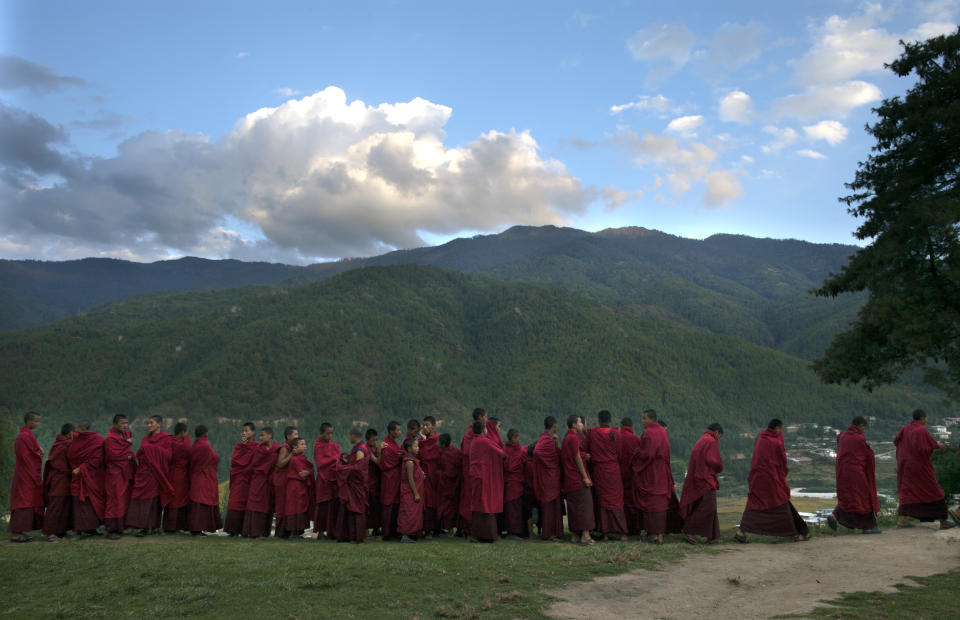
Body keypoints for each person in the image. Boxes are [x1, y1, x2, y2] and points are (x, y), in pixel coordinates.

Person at [736, 419, 810, 543]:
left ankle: (741, 532)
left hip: (757, 477)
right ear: (777, 428)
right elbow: (781, 461)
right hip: (771, 477)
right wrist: (782, 474)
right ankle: (794, 533)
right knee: (780, 500)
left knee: (756, 502)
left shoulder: (761, 438)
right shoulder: (776, 442)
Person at [894, 409, 953, 528]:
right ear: (922, 418)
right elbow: (926, 447)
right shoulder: (921, 430)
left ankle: (901, 520)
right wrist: (939, 446)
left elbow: (897, 441)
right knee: (934, 491)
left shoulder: (905, 429)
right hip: (920, 466)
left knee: (907, 491)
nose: (926, 420)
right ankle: (943, 521)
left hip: (906, 467)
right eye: (925, 418)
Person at [827, 416, 882, 534]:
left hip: (842, 471)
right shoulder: (859, 438)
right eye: (864, 428)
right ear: (861, 426)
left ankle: (834, 515)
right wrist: (871, 452)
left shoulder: (842, 436)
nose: (864, 431)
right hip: (856, 472)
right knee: (863, 497)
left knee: (847, 497)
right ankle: (867, 527)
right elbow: (865, 454)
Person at [631, 409, 677, 544]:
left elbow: (647, 455)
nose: (642, 421)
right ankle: (660, 535)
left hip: (651, 473)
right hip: (662, 472)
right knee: (661, 504)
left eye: (644, 418)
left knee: (651, 504)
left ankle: (652, 535)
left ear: (651, 419)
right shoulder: (663, 431)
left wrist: (636, 454)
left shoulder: (648, 433)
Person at [127, 415, 174, 536]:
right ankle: (142, 527)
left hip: (156, 473)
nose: (149, 425)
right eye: (148, 423)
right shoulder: (145, 439)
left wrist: (150, 449)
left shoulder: (166, 438)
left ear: (159, 424)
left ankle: (154, 526)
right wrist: (148, 451)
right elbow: (140, 455)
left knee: (154, 501)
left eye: (151, 423)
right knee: (142, 500)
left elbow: (168, 456)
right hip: (144, 472)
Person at [586, 410, 628, 541]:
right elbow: (621, 453)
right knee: (617, 501)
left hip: (600, 471)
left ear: (599, 420)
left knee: (603, 501)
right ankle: (622, 533)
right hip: (614, 471)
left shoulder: (593, 433)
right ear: (610, 420)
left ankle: (605, 533)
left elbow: (587, 449)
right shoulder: (617, 433)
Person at [679, 423, 724, 544]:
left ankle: (713, 537)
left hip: (697, 477)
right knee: (708, 507)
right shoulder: (711, 441)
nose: (718, 439)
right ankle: (689, 530)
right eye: (719, 436)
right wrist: (720, 467)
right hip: (705, 479)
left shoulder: (702, 439)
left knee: (707, 506)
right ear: (717, 432)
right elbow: (714, 461)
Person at [9, 412, 45, 542]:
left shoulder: (27, 435)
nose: (37, 424)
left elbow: (32, 452)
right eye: (36, 421)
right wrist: (37, 454)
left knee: (27, 501)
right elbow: (25, 457)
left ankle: (20, 531)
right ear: (29, 421)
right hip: (24, 474)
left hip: (27, 473)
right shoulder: (23, 436)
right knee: (23, 501)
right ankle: (16, 533)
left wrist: (37, 451)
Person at [469, 420, 506, 543]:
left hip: (475, 476)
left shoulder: (474, 441)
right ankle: (487, 536)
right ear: (484, 430)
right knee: (486, 503)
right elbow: (501, 453)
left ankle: (475, 534)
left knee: (478, 504)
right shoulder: (484, 441)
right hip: (483, 476)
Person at [561, 414, 595, 545]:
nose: (582, 425)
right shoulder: (574, 438)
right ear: (574, 425)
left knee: (574, 507)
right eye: (580, 423)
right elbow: (576, 457)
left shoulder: (566, 438)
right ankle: (585, 536)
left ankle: (575, 536)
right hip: (577, 478)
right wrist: (585, 477)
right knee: (585, 506)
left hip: (569, 479)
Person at [68, 420, 106, 536]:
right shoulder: (76, 438)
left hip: (91, 476)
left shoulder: (96, 439)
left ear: (83, 428)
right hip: (77, 477)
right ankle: (78, 531)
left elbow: (97, 458)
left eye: (78, 428)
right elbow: (71, 454)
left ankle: (92, 528)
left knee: (91, 503)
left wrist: (82, 468)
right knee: (78, 504)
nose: (76, 431)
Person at [242, 427, 281, 538]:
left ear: (270, 436)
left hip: (269, 482)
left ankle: (264, 532)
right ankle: (252, 531)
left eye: (263, 435)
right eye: (260, 435)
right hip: (257, 480)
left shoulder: (277, 448)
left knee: (266, 506)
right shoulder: (259, 449)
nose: (260, 438)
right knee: (254, 505)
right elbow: (253, 464)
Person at [103, 415, 136, 539]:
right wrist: (127, 457)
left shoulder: (124, 436)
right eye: (122, 423)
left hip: (124, 473)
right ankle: (111, 530)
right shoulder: (110, 439)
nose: (125, 426)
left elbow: (126, 450)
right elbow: (112, 456)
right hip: (114, 474)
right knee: (114, 500)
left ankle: (120, 527)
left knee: (123, 500)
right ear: (115, 424)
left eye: (126, 423)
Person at [335, 427, 368, 543]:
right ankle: (351, 535)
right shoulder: (357, 448)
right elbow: (354, 464)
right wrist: (347, 460)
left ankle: (356, 536)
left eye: (350, 436)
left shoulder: (360, 450)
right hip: (353, 485)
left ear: (353, 435)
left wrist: (343, 468)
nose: (349, 438)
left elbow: (358, 469)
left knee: (356, 509)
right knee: (351, 508)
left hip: (356, 484)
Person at [186, 425, 221, 535]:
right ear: (206, 433)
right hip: (204, 477)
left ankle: (196, 528)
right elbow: (214, 457)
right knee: (201, 503)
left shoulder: (195, 445)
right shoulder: (205, 445)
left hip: (196, 476)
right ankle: (197, 529)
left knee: (197, 503)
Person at [533, 416, 563, 541]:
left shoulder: (548, 439)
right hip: (549, 477)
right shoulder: (546, 440)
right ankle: (548, 533)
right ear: (554, 426)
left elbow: (554, 453)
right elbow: (537, 452)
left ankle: (554, 533)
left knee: (554, 506)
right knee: (549, 506)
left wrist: (556, 443)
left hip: (551, 477)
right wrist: (550, 464)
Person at [42, 422, 74, 541]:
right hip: (59, 480)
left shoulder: (60, 443)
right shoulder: (63, 445)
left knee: (64, 506)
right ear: (70, 433)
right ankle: (50, 533)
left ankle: (61, 531)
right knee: (55, 506)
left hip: (65, 479)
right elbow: (57, 463)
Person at [224, 422, 258, 536]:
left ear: (253, 432)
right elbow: (235, 460)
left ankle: (245, 530)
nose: (244, 433)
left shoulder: (256, 446)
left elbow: (256, 462)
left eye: (247, 431)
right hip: (239, 478)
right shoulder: (239, 446)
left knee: (247, 503)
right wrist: (243, 447)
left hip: (250, 479)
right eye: (243, 431)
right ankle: (232, 530)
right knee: (235, 501)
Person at [458, 408, 487, 535]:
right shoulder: (472, 432)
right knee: (471, 498)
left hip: (473, 471)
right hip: (472, 471)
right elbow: (466, 452)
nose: (486, 419)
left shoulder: (471, 432)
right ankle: (470, 528)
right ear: (480, 417)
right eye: (485, 416)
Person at [280, 437, 314, 539]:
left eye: (305, 444)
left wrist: (309, 472)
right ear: (295, 447)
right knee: (294, 508)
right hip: (294, 487)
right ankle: (292, 533)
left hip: (300, 487)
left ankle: (297, 532)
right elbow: (302, 473)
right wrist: (308, 472)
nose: (305, 446)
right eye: (302, 444)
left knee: (299, 507)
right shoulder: (294, 459)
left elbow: (308, 470)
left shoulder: (302, 459)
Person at [313, 422, 340, 539]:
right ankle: (320, 532)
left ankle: (332, 531)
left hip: (333, 478)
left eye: (331, 433)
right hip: (323, 479)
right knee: (323, 505)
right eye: (327, 433)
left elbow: (338, 459)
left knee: (333, 505)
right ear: (321, 433)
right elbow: (320, 463)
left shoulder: (334, 445)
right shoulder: (318, 445)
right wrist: (335, 459)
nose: (330, 436)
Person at [162, 422, 190, 533]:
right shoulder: (182, 445)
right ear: (182, 432)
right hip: (180, 474)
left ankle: (168, 526)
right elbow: (189, 451)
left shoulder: (170, 441)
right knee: (178, 500)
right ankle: (174, 527)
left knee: (172, 499)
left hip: (171, 472)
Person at [617, 416, 643, 535]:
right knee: (632, 502)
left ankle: (621, 528)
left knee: (620, 502)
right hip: (632, 475)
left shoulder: (616, 437)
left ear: (621, 426)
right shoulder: (636, 439)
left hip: (616, 475)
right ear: (631, 427)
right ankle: (634, 529)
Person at [379, 421, 404, 540]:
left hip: (394, 477)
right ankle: (386, 533)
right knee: (388, 504)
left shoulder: (393, 443)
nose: (400, 432)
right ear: (391, 431)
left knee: (395, 504)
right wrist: (400, 455)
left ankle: (394, 530)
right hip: (388, 477)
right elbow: (387, 462)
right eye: (398, 430)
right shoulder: (386, 445)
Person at [272, 426, 298, 538]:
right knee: (282, 506)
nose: (297, 436)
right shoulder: (284, 448)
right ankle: (281, 533)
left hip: (288, 480)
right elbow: (280, 464)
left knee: (289, 505)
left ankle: (289, 532)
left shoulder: (292, 448)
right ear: (288, 436)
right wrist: (292, 455)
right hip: (281, 481)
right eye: (295, 434)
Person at [398, 437, 425, 543]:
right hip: (409, 491)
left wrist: (422, 475)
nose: (418, 448)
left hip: (414, 491)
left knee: (413, 513)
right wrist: (415, 493)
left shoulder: (414, 460)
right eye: (416, 446)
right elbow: (410, 478)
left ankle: (412, 535)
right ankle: (405, 535)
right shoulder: (409, 461)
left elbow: (416, 474)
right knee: (408, 512)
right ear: (409, 449)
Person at [435, 432, 461, 536]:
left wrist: (437, 473)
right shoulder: (453, 450)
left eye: (438, 441)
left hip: (448, 485)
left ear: (443, 444)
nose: (436, 443)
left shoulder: (446, 454)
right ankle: (447, 530)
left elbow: (449, 472)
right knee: (449, 508)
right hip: (452, 484)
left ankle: (449, 530)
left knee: (448, 509)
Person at [502, 429, 526, 540]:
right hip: (511, 481)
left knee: (516, 507)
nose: (519, 439)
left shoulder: (519, 450)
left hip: (517, 481)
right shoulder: (507, 450)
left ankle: (517, 531)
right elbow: (510, 466)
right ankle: (512, 532)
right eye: (517, 437)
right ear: (512, 438)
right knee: (511, 507)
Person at [419, 416, 440, 536]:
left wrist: (424, 442)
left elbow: (430, 456)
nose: (425, 427)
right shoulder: (422, 440)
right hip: (425, 475)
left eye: (427, 425)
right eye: (423, 425)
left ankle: (435, 529)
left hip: (435, 474)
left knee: (434, 501)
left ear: (433, 426)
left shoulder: (436, 439)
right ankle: (426, 529)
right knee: (427, 501)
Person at [364, 428, 381, 536]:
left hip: (375, 479)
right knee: (367, 505)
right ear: (367, 440)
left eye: (376, 440)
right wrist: (382, 451)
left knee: (375, 506)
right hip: (367, 480)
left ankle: (376, 528)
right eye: (373, 440)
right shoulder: (365, 449)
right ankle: (365, 528)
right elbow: (377, 461)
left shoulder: (375, 448)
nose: (375, 443)